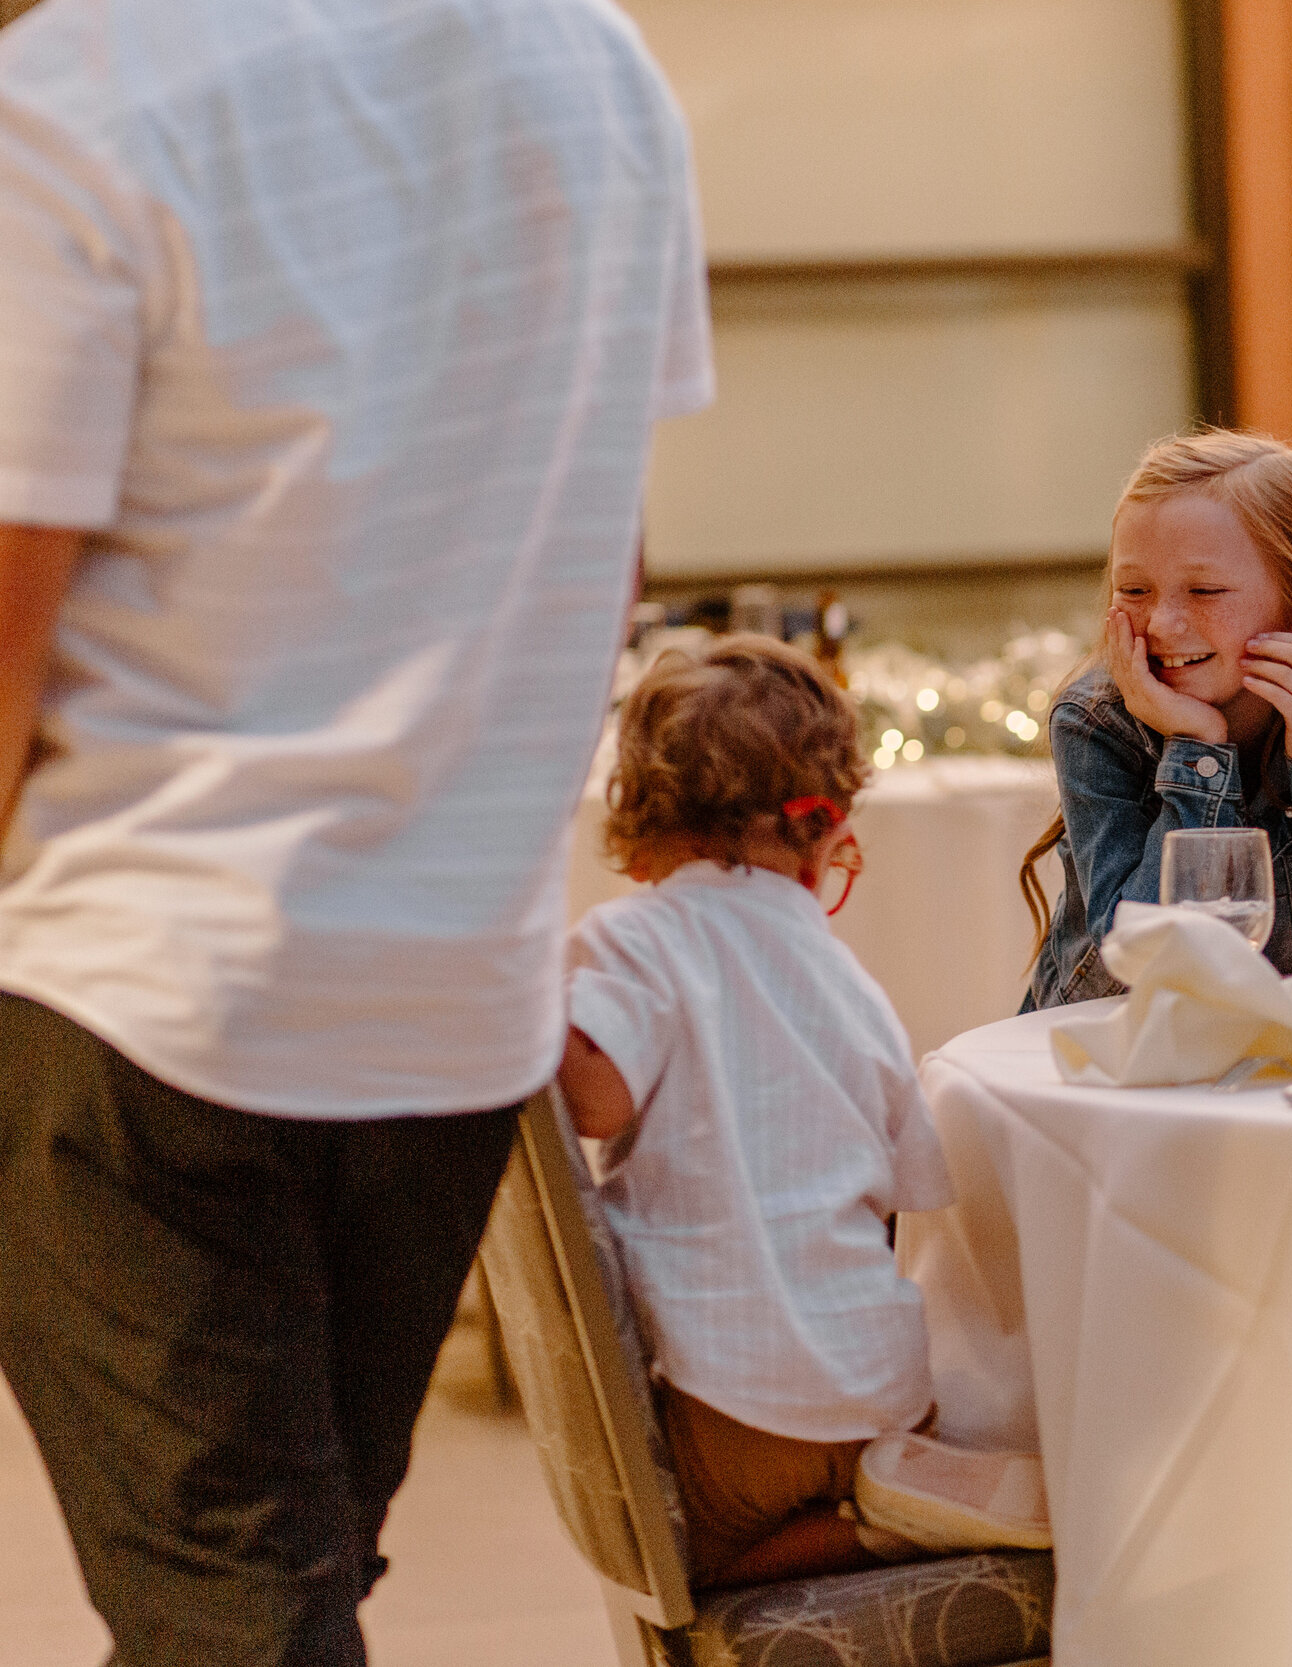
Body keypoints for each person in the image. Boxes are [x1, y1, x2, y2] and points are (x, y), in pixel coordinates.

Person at [0, 0, 711, 1659]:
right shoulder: (597, 64)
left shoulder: (78, 91)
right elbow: (603, 539)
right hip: (448, 985)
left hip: (140, 989)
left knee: (238, 1613)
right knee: (274, 1585)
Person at [558, 636, 1050, 1587]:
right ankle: (896, 1493)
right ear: (823, 829)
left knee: (674, 1555)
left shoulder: (638, 940)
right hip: (880, 1394)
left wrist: (531, 1005)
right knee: (818, 1487)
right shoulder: (846, 978)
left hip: (735, 1399)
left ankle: (882, 1531)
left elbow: (591, 1099)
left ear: (638, 812)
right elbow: (913, 1180)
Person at [1018, 430, 1292, 1010]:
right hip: (1112, 1051)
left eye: (1204, 590)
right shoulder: (1097, 723)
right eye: (1134, 589)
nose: (1164, 624)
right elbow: (1148, 967)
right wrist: (1197, 746)